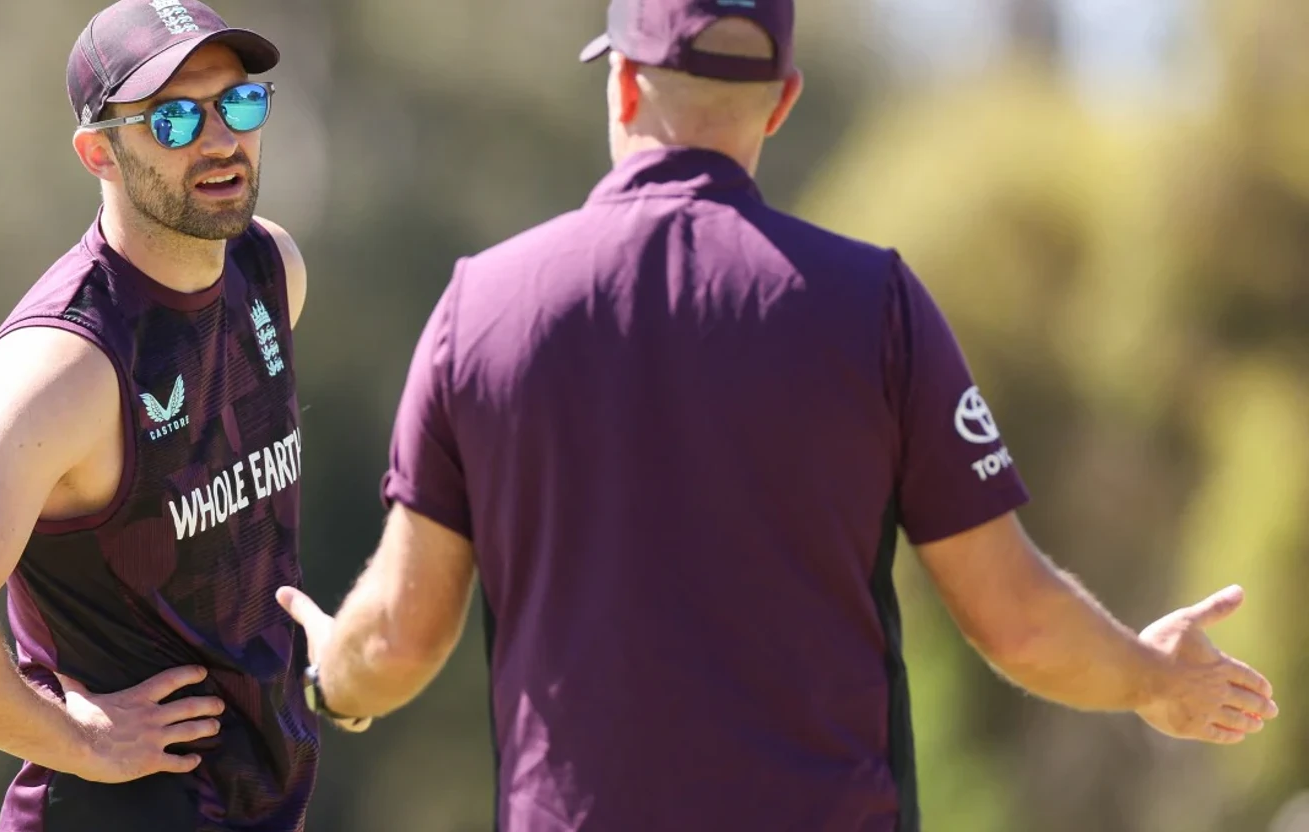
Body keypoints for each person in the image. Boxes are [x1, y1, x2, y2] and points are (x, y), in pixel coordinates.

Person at [273, 0, 1279, 830]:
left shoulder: (479, 309)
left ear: (622, 83)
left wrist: (322, 675)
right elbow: (1014, 618)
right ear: (781, 103)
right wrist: (1149, 677)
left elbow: (398, 642)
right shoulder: (876, 307)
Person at [0, 2, 327, 829]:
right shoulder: (65, 365)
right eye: (175, 117)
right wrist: (82, 743)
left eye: (240, 103)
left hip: (261, 803)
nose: (221, 139)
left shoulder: (271, 269)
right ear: (99, 153)